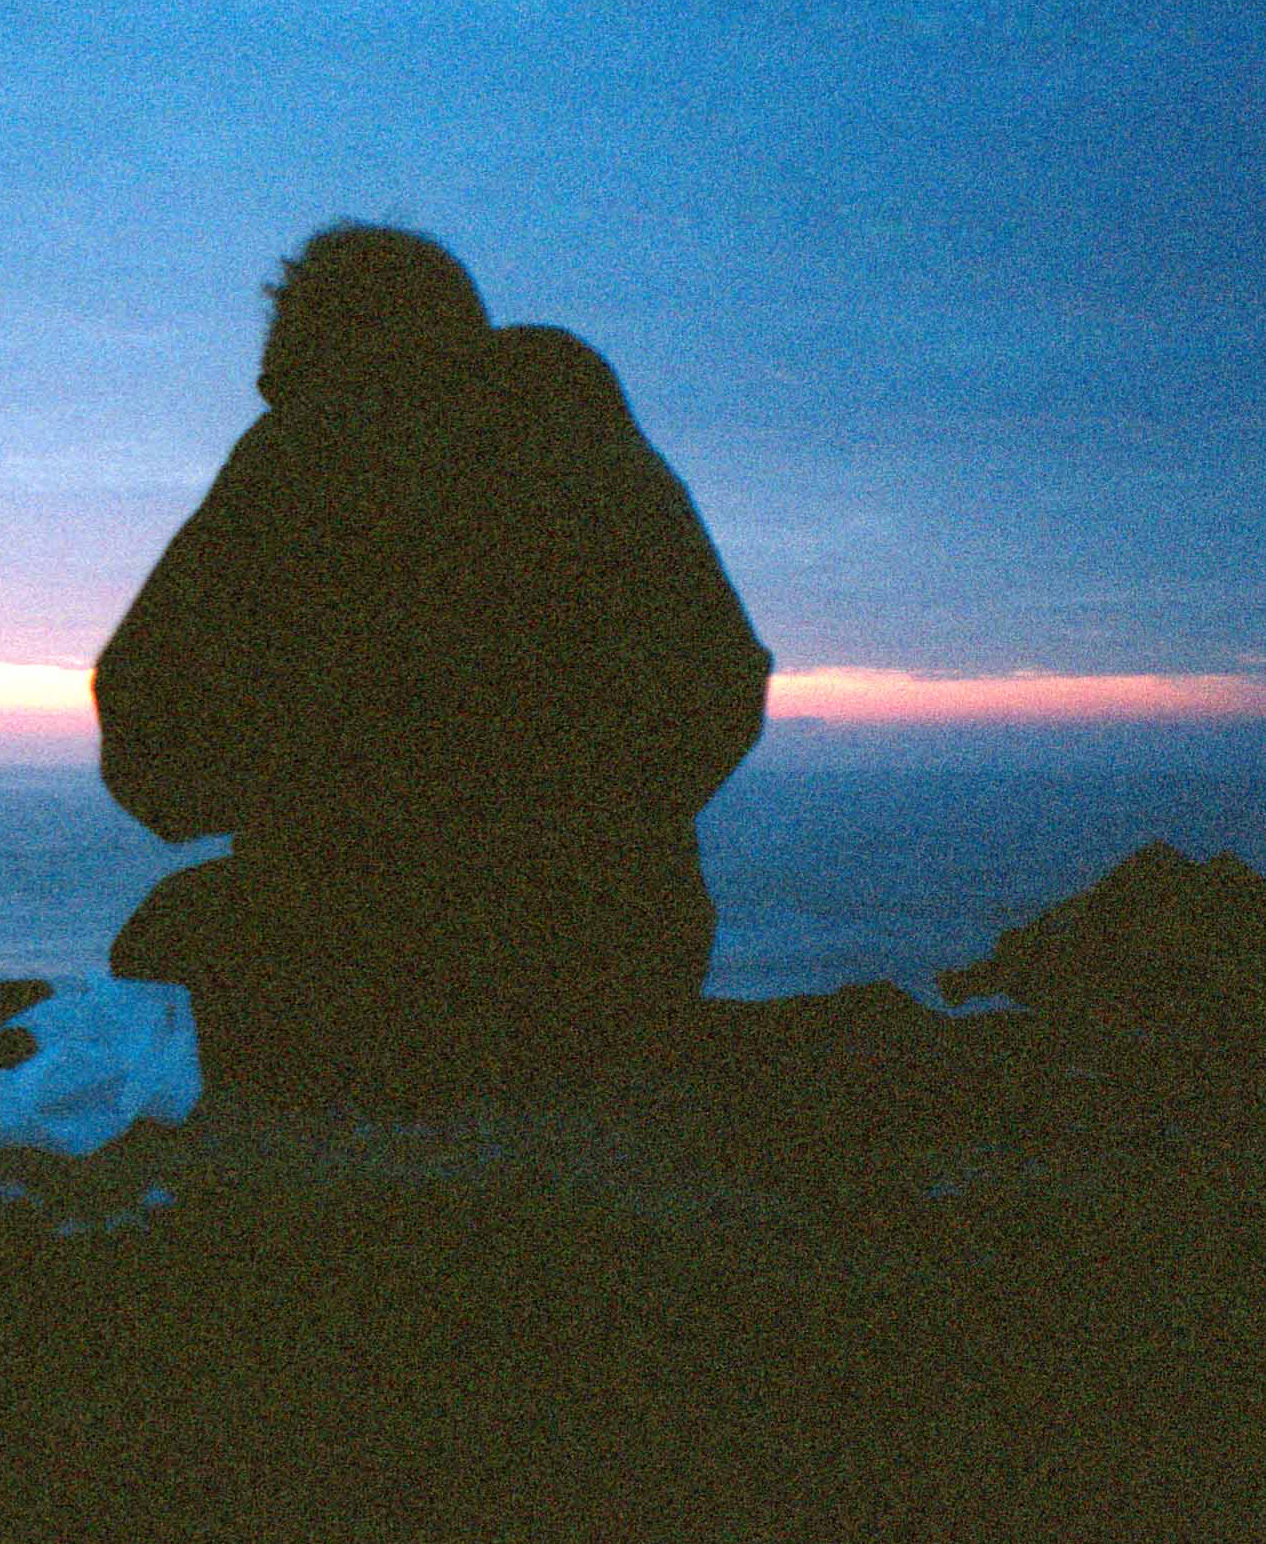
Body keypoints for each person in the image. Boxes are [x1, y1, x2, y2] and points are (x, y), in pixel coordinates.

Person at [94, 223, 771, 1105]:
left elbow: (149, 726)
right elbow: (723, 679)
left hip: (364, 969)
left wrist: (311, 807)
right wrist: (593, 828)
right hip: (621, 956)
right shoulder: (586, 440)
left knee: (164, 943)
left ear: (315, 342)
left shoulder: (299, 453)